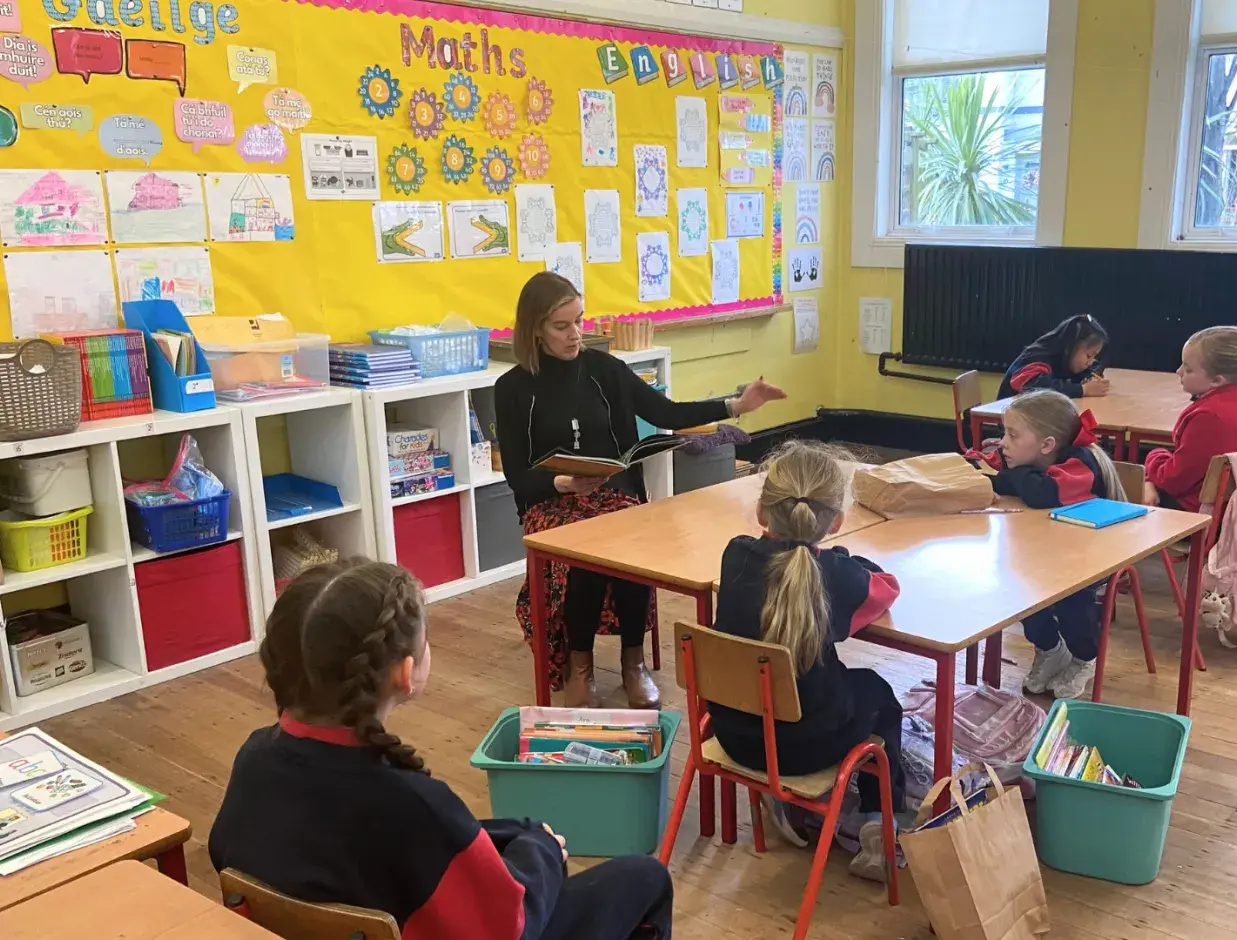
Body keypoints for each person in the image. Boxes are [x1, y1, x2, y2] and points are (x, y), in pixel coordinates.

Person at [208, 559, 674, 940]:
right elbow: (510, 926)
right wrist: (544, 852)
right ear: (404, 674)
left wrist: (522, 836)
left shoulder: (254, 759)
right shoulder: (413, 806)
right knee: (645, 878)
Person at [493, 272, 784, 708]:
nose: (576, 334)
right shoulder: (512, 388)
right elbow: (517, 473)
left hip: (613, 494)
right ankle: (581, 667)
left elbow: (665, 411)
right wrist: (563, 483)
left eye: (579, 321)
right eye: (562, 326)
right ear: (536, 329)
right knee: (587, 551)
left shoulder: (604, 369)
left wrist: (736, 404)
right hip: (551, 504)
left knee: (630, 544)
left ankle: (634, 662)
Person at [709, 441, 903, 882]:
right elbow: (886, 588)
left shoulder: (735, 555)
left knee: (812, 693)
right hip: (809, 745)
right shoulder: (838, 576)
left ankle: (783, 801)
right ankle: (877, 820)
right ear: (836, 521)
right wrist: (843, 559)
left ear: (762, 513)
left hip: (734, 735)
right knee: (879, 694)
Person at [987, 389, 1127, 698]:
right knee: (1020, 592)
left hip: (1089, 561)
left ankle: (1084, 658)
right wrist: (1007, 474)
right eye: (1004, 433)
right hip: (1044, 552)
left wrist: (1012, 475)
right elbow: (999, 477)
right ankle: (1050, 649)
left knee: (1072, 604)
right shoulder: (1030, 457)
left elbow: (1042, 493)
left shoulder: (1082, 464)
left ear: (1047, 445)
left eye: (1012, 435)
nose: (1002, 443)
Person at [1143, 326, 1237, 512]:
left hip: (1197, 515)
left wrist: (1153, 456)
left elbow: (1172, 481)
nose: (1178, 372)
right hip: (1225, 512)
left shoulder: (1209, 417)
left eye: (1188, 369)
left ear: (1216, 380)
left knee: (1124, 484)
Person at [998, 314, 1111, 400]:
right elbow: (1037, 389)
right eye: (1089, 356)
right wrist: (1083, 390)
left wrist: (1090, 377)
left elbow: (1094, 366)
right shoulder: (1038, 358)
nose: (1090, 362)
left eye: (1094, 357)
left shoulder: (1066, 360)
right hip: (1008, 420)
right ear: (1069, 348)